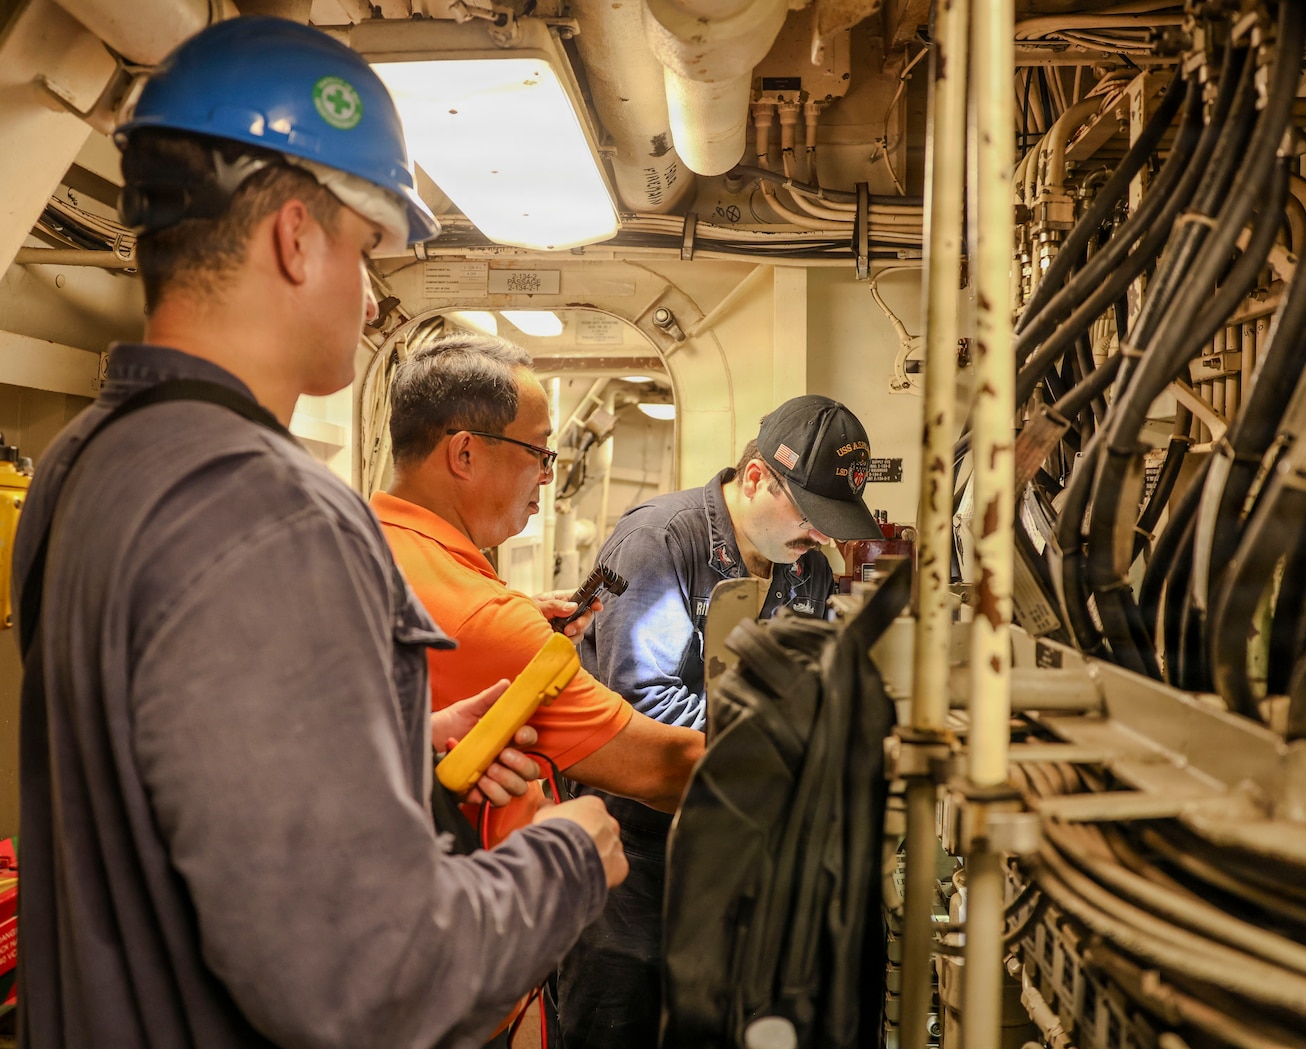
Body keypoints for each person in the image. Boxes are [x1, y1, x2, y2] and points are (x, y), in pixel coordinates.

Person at [12, 17, 624, 1049]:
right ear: (295, 237)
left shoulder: (83, 460)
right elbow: (366, 981)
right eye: (364, 244)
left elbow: (162, 765)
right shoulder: (270, 511)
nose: (372, 288)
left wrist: (383, 742)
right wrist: (564, 857)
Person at [555, 394, 885, 1049]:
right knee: (622, 1020)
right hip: (634, 853)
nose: (820, 536)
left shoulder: (808, 570)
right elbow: (642, 705)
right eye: (811, 514)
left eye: (832, 520)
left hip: (738, 848)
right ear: (757, 476)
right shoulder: (658, 541)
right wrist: (791, 738)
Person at [371, 333, 705, 848]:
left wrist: (520, 614)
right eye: (538, 452)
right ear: (464, 454)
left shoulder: (361, 544)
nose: (548, 476)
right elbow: (664, 768)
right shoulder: (487, 619)